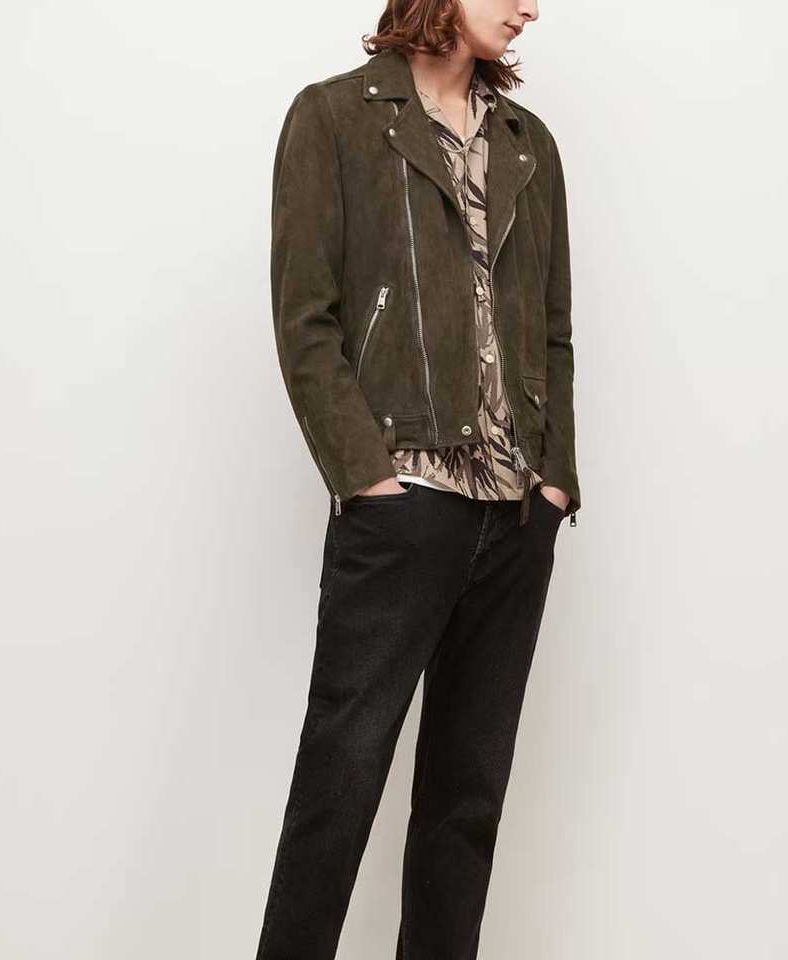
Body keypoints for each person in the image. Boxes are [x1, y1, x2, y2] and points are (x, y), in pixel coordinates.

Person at [256, 1, 580, 956]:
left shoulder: (528, 144)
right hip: (403, 506)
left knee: (465, 804)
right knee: (340, 784)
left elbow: (553, 331)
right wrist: (367, 479)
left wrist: (555, 480)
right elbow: (305, 322)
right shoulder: (333, 119)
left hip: (514, 519)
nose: (528, 6)